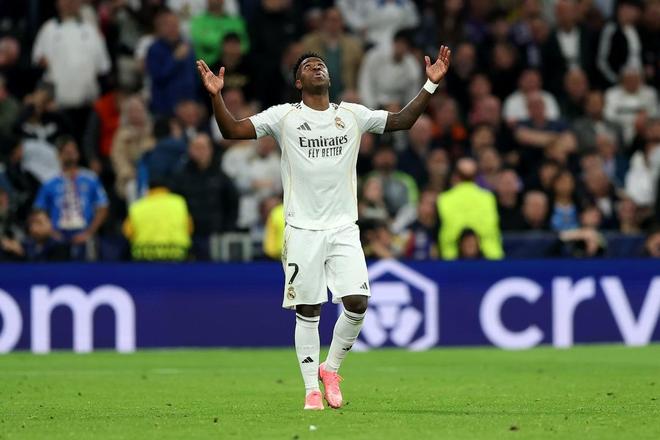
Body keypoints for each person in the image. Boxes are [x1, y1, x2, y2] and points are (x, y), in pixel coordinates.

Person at [196, 45, 451, 409]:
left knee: (358, 303)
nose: (317, 67)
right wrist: (217, 96)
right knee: (309, 309)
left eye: (321, 64)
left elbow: (402, 120)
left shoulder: (351, 114)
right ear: (299, 82)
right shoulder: (284, 116)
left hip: (344, 227)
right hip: (302, 228)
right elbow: (232, 129)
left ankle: (330, 369)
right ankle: (310, 391)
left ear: (329, 77)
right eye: (308, 66)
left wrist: (430, 85)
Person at [33, 136, 109, 260]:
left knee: (89, 267)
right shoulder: (49, 182)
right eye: (67, 152)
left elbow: (103, 207)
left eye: (73, 151)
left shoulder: (90, 178)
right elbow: (39, 210)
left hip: (84, 233)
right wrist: (51, 232)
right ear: (59, 155)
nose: (71, 155)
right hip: (57, 235)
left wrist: (89, 232)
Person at [436, 157, 503, 260]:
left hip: (451, 259)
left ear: (456, 176)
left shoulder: (444, 199)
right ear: (475, 177)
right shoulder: (488, 198)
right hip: (490, 258)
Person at [123, 177, 193, 261]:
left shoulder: (137, 206)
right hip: (177, 253)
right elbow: (189, 228)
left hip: (144, 255)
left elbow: (127, 232)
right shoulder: (179, 203)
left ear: (148, 189)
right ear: (166, 188)